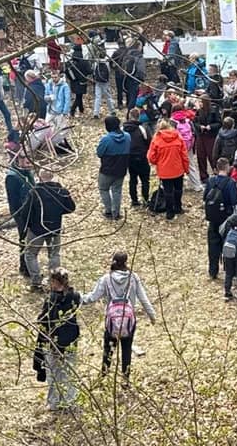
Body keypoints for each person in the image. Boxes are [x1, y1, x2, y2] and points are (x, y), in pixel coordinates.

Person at [81, 252, 158, 386]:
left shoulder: (106, 279)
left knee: (108, 349)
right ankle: (125, 379)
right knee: (126, 349)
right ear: (126, 262)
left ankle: (104, 376)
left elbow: (92, 297)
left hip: (111, 322)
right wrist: (152, 316)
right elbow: (143, 298)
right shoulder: (133, 278)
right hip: (129, 321)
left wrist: (76, 298)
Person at [19, 170, 77, 291]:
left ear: (39, 177)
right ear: (52, 176)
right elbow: (71, 208)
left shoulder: (35, 192)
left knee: (30, 254)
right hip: (54, 229)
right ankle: (55, 282)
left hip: (36, 230)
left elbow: (25, 213)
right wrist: (58, 212)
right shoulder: (61, 191)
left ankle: (36, 282)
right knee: (54, 254)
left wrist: (28, 226)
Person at [35, 267, 81, 411]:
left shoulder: (51, 299)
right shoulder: (75, 296)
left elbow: (44, 320)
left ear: (55, 282)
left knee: (53, 373)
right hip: (71, 341)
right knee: (69, 371)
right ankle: (70, 402)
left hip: (53, 342)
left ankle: (54, 402)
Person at [204, 158, 237, 279]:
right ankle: (229, 271)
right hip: (226, 218)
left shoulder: (211, 181)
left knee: (213, 245)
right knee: (227, 244)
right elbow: (234, 201)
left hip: (212, 218)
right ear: (228, 167)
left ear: (216, 168)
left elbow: (205, 197)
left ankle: (213, 270)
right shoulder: (231, 183)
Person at [147, 119, 189, 219]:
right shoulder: (178, 137)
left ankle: (170, 212)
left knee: (168, 191)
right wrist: (186, 169)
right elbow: (184, 155)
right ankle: (178, 207)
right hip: (178, 169)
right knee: (178, 189)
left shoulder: (156, 139)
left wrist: (158, 162)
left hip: (164, 171)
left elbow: (151, 157)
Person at [5, 142, 35, 276]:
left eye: (29, 157)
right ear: (17, 159)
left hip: (31, 210)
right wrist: (21, 215)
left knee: (32, 240)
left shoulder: (27, 171)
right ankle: (24, 267)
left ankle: (29, 264)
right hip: (21, 213)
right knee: (24, 239)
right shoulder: (12, 177)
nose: (28, 161)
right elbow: (14, 200)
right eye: (24, 158)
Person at [96, 116, 131, 220]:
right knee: (117, 190)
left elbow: (99, 153)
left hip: (107, 170)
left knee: (104, 189)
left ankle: (108, 211)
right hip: (121, 169)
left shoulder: (106, 139)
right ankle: (116, 213)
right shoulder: (127, 137)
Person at [123, 109, 151, 207]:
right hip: (142, 157)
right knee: (145, 180)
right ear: (138, 116)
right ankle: (145, 199)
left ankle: (134, 200)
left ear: (129, 116)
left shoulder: (123, 129)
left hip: (129, 158)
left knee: (133, 179)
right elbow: (149, 142)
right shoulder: (142, 129)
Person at [194, 95, 221, 182]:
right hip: (201, 136)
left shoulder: (214, 111)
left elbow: (219, 123)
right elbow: (195, 123)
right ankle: (204, 176)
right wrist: (200, 127)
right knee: (201, 156)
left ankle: (216, 172)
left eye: (201, 102)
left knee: (212, 155)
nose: (199, 103)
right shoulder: (199, 112)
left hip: (210, 136)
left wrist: (211, 126)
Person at [65, 44, 91, 117]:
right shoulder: (84, 62)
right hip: (82, 81)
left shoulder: (70, 62)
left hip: (73, 81)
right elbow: (90, 71)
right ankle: (72, 110)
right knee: (79, 97)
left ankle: (81, 109)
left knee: (79, 96)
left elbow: (66, 71)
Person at [46, 70, 71, 136]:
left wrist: (65, 112)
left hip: (60, 111)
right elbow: (45, 96)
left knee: (60, 129)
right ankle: (51, 139)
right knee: (47, 126)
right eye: (52, 77)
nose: (54, 79)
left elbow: (67, 100)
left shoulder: (64, 86)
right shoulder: (49, 84)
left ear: (59, 77)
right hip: (50, 110)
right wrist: (49, 98)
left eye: (55, 77)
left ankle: (59, 140)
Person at [91, 54, 114, 119]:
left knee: (98, 97)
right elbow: (109, 72)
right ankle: (112, 111)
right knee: (108, 96)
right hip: (105, 82)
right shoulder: (107, 62)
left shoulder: (96, 62)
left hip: (98, 82)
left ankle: (96, 113)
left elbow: (93, 72)